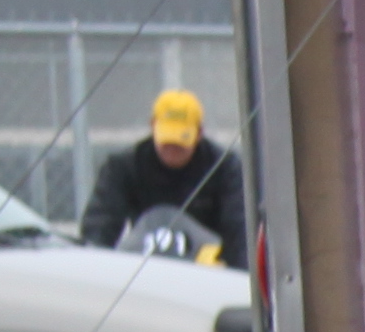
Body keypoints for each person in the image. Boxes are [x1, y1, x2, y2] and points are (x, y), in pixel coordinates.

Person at [77, 91, 242, 263]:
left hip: (207, 266)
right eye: (167, 139)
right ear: (152, 126)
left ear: (199, 133)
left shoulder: (224, 168)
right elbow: (100, 225)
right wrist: (95, 262)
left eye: (181, 141)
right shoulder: (125, 166)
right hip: (146, 263)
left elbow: (238, 227)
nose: (172, 148)